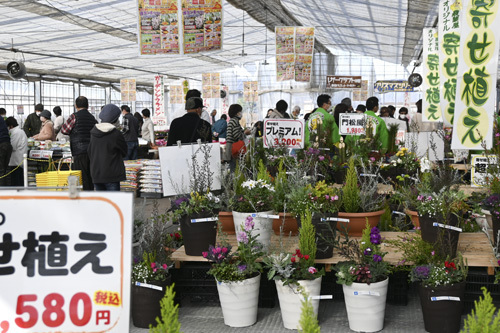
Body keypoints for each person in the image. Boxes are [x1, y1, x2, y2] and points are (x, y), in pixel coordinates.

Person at [61, 96, 97, 191]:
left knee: (81, 176)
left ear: (76, 105)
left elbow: (64, 130)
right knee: (90, 175)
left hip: (79, 150)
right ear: (88, 105)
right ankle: (91, 195)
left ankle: (84, 198)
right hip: (92, 151)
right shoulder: (92, 117)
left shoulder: (74, 116)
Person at [88, 104, 127, 191]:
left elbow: (90, 151)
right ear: (115, 119)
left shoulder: (93, 133)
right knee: (113, 203)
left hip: (96, 173)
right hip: (112, 174)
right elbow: (124, 151)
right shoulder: (116, 134)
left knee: (101, 203)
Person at [5, 117, 27, 186]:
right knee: (18, 179)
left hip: (17, 161)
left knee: (16, 181)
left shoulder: (16, 133)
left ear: (11, 126)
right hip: (18, 160)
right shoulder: (19, 131)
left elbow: (12, 146)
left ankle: (17, 195)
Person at [0, 116, 12, 186]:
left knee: (1, 170)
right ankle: (8, 189)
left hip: (1, 145)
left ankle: (2, 191)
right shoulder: (1, 118)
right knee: (6, 169)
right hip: (7, 144)